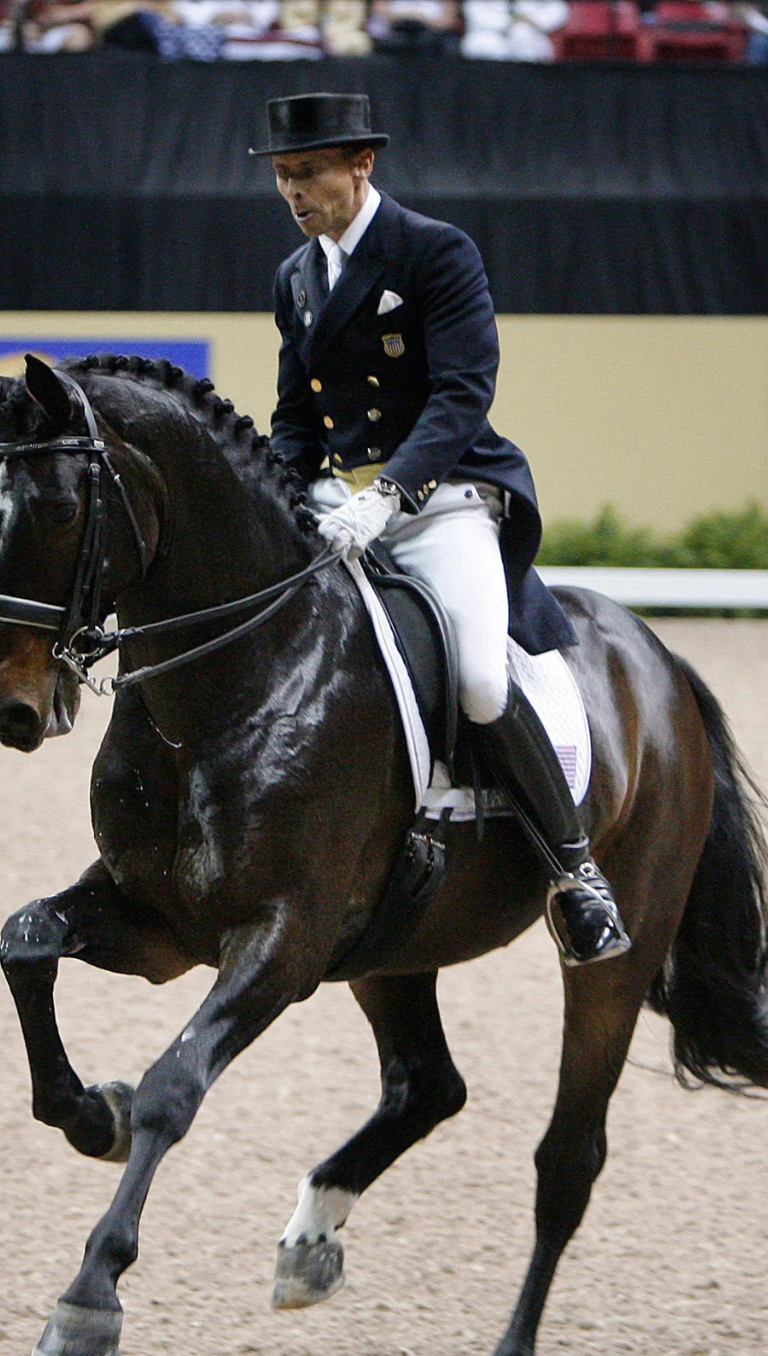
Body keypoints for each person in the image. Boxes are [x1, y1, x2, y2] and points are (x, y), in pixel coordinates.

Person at [251, 92, 631, 967]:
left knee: (477, 678)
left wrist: (388, 493)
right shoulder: (295, 278)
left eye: (309, 174)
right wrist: (297, 484)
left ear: (361, 166)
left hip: (446, 501)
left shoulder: (433, 251)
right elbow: (293, 414)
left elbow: (465, 390)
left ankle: (577, 877)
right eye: (282, 177)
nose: (295, 193)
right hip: (346, 515)